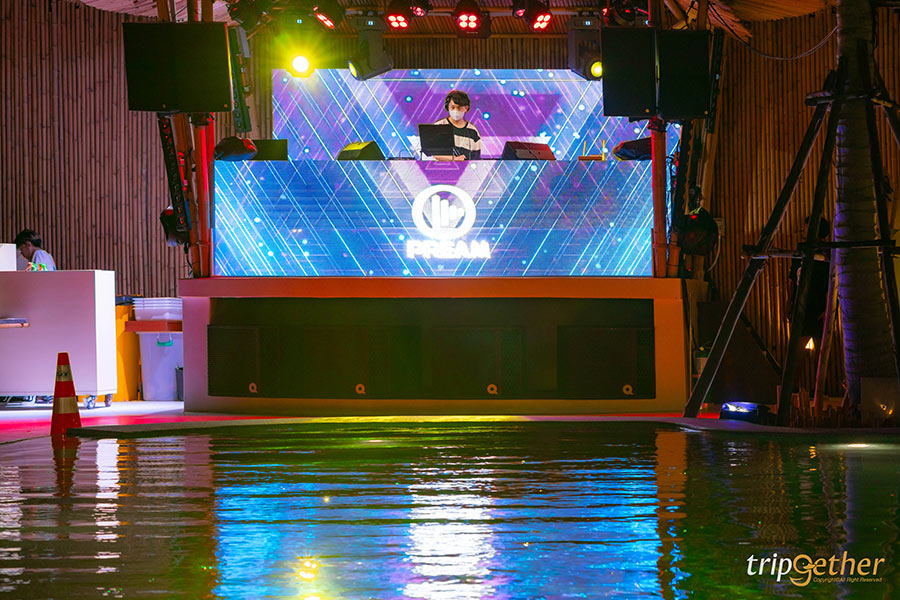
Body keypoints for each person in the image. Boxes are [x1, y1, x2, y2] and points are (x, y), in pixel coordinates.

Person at [433, 90, 482, 161]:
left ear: (466, 108)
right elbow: (434, 154)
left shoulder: (473, 131)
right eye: (452, 107)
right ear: (447, 107)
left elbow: (476, 159)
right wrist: (455, 159)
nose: (455, 110)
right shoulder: (438, 126)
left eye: (459, 108)